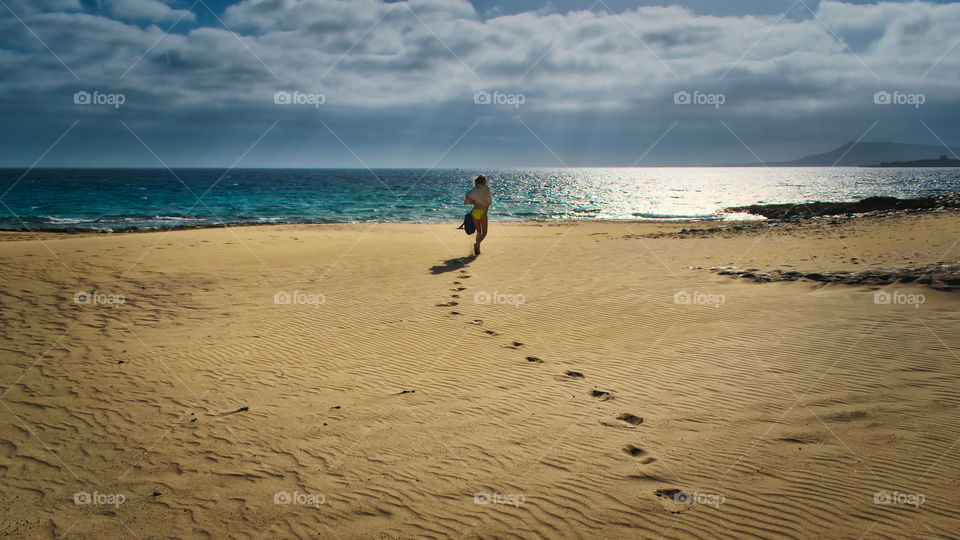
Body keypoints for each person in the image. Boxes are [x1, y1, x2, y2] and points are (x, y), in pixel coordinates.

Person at [464, 174, 492, 255]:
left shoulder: (475, 189)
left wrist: (473, 201)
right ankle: (477, 243)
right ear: (484, 181)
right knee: (484, 232)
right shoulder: (486, 189)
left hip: (475, 212)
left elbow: (468, 194)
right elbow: (489, 201)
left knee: (479, 231)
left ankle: (478, 250)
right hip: (483, 212)